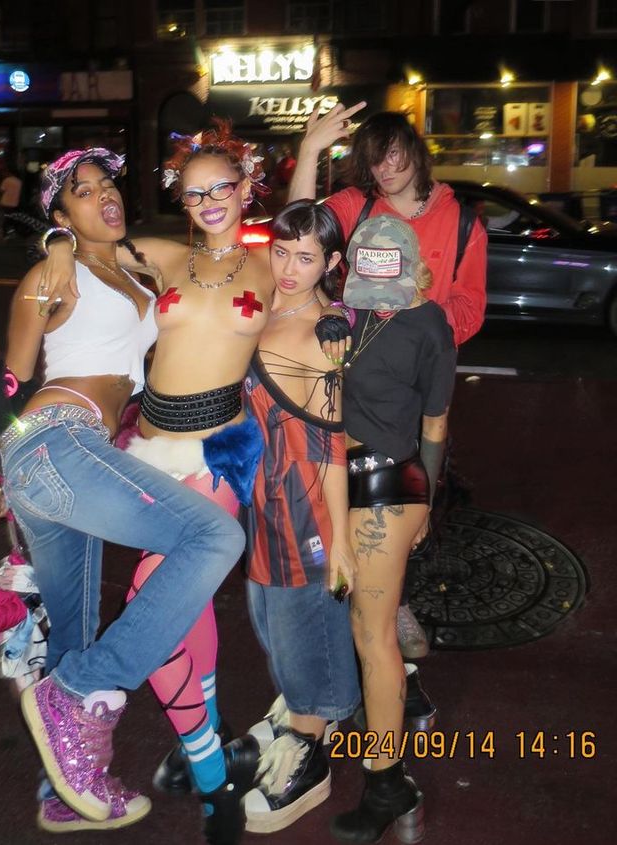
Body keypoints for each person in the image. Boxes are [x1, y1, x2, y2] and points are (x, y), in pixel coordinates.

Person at [0, 148, 248, 841]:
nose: (104, 197)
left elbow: (214, 255)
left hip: (80, 457)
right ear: (59, 215)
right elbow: (7, 380)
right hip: (53, 440)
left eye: (108, 186)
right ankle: (78, 695)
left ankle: (67, 787)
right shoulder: (49, 274)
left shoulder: (130, 265)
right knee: (213, 537)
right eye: (82, 193)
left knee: (72, 633)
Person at [40, 122, 283, 841]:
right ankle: (201, 754)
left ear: (246, 189)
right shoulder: (168, 256)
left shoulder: (274, 264)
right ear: (182, 197)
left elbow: (314, 260)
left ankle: (207, 771)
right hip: (147, 444)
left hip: (218, 453)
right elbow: (92, 239)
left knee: (155, 589)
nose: (209, 200)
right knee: (184, 613)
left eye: (223, 187)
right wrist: (57, 242)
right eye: (195, 189)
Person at [290, 106, 488, 660]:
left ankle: (391, 599)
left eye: (395, 153)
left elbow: (470, 305)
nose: (385, 167)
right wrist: (310, 150)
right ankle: (351, 593)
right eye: (374, 158)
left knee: (414, 496)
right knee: (338, 492)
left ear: (415, 151)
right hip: (350, 371)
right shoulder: (358, 207)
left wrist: (417, 328)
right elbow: (299, 228)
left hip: (415, 380)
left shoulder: (462, 219)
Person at [327, 214, 455, 843]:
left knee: (373, 635)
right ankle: (400, 715)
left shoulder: (428, 324)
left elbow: (434, 426)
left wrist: (426, 497)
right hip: (334, 481)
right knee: (356, 628)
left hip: (387, 484)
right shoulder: (345, 313)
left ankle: (388, 782)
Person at [239, 199, 359, 833]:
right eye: (280, 252)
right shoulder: (268, 302)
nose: (288, 266)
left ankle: (309, 749)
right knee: (266, 614)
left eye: (306, 257)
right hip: (261, 500)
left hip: (304, 506)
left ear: (331, 263)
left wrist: (339, 541)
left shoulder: (325, 332)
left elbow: (334, 443)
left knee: (300, 621)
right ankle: (298, 704)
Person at [0, 164, 23, 237]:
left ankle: (5, 232)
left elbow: (1, 191)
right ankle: (15, 231)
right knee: (13, 217)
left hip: (5, 202)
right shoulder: (19, 182)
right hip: (15, 202)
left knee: (7, 217)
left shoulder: (6, 180)